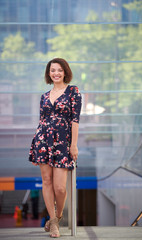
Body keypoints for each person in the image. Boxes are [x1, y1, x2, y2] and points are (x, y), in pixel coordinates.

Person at [29, 58, 82, 238]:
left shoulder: (73, 92)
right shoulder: (44, 96)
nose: (56, 73)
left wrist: (73, 145)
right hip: (43, 141)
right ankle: (53, 224)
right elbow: (41, 122)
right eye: (53, 70)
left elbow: (75, 120)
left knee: (60, 187)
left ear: (65, 72)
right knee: (46, 181)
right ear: (49, 73)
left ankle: (57, 217)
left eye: (59, 70)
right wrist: (36, 146)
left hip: (62, 143)